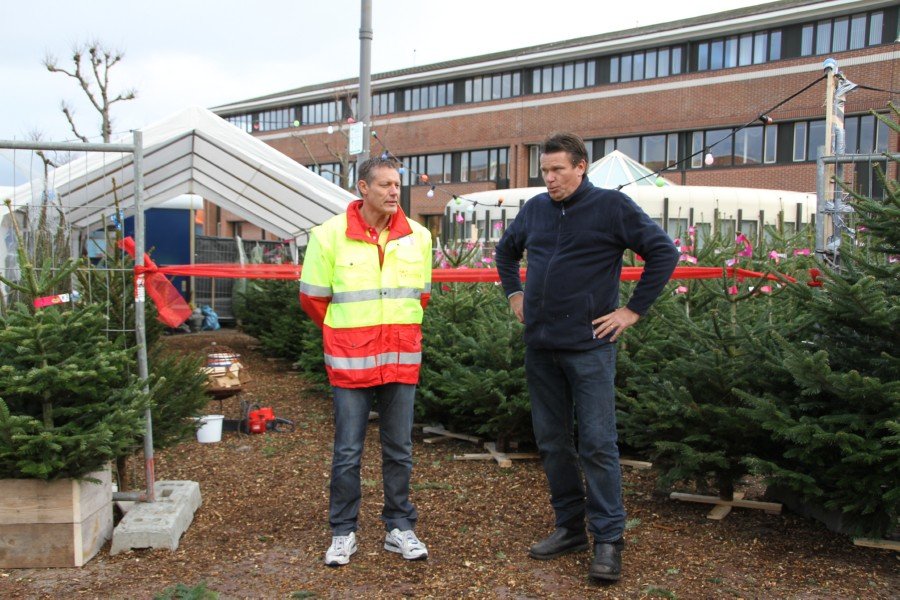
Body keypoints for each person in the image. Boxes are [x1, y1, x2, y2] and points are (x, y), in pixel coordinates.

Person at [494, 132, 679, 582]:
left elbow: (663, 252)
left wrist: (631, 311)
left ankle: (609, 541)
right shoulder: (536, 209)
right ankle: (570, 528)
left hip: (590, 348)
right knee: (553, 442)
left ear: (582, 166)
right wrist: (515, 293)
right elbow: (505, 251)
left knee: (597, 444)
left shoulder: (612, 208)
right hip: (540, 346)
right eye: (545, 171)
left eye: (558, 170)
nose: (550, 178)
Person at [299, 156, 433, 567]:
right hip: (350, 361)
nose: (394, 192)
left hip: (400, 360)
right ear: (363, 187)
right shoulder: (328, 236)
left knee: (400, 449)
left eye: (397, 185)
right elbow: (312, 299)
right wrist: (351, 336)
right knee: (347, 451)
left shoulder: (420, 237)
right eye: (385, 185)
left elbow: (420, 297)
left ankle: (399, 527)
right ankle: (343, 532)